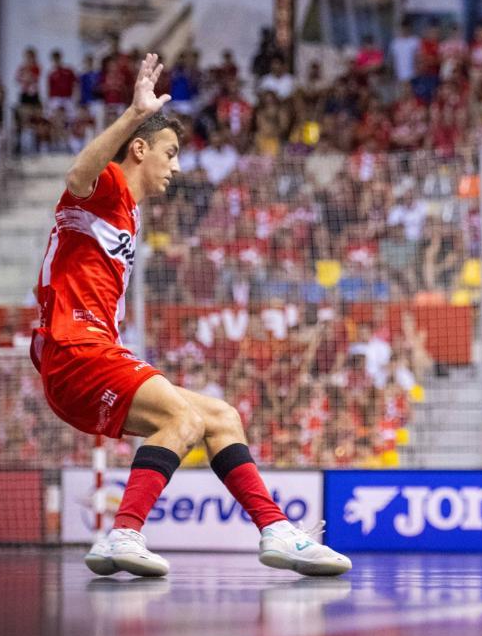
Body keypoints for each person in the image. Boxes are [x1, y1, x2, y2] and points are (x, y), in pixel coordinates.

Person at [30, 54, 350, 578]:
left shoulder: (127, 212)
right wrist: (134, 113)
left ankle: (277, 532)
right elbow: (76, 173)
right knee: (182, 419)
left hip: (86, 354)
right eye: (170, 153)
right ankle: (124, 533)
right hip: (78, 351)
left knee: (222, 416)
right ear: (139, 149)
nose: (176, 167)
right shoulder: (108, 185)